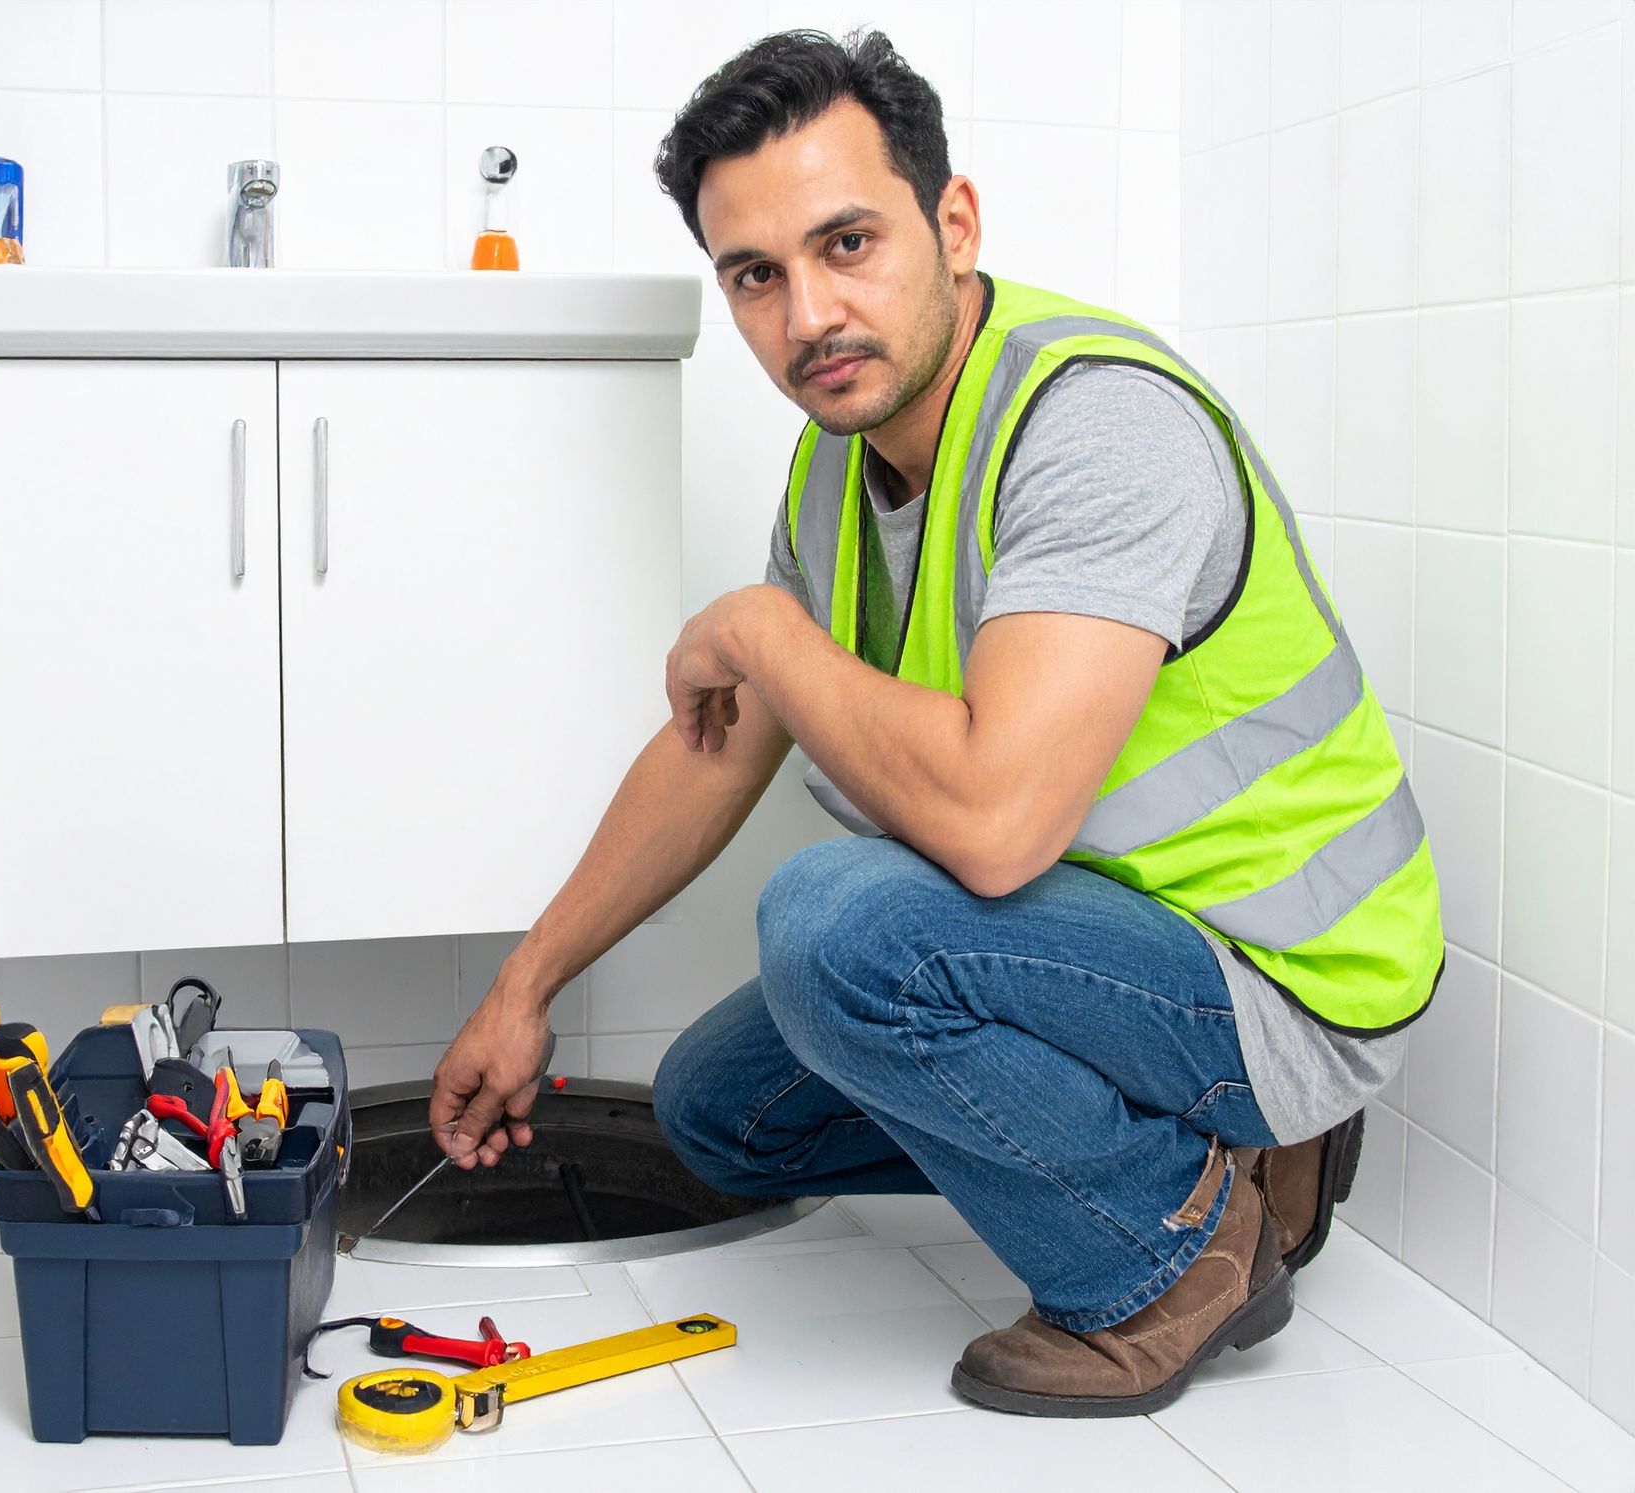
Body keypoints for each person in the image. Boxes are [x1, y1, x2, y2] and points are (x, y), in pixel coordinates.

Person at [425, 28, 1442, 1417]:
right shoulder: (844, 461)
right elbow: (715, 744)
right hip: (1106, 941)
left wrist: (767, 631)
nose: (807, 318)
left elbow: (995, 823)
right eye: (756, 276)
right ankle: (1204, 1147)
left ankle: (1173, 1250)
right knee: (718, 1110)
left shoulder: (1095, 425)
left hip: (1278, 967)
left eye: (847, 243)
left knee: (837, 927)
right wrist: (524, 984)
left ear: (952, 224)